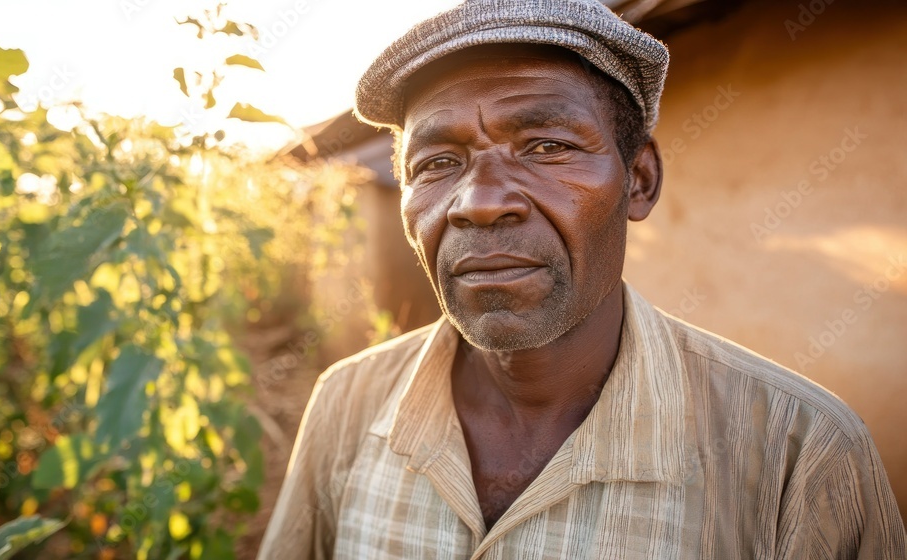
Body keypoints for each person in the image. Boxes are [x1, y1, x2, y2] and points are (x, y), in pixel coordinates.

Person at [257, 0, 907, 558]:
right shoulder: (345, 406)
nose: (478, 202)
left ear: (640, 180)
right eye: (439, 163)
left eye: (548, 148)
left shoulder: (801, 452)